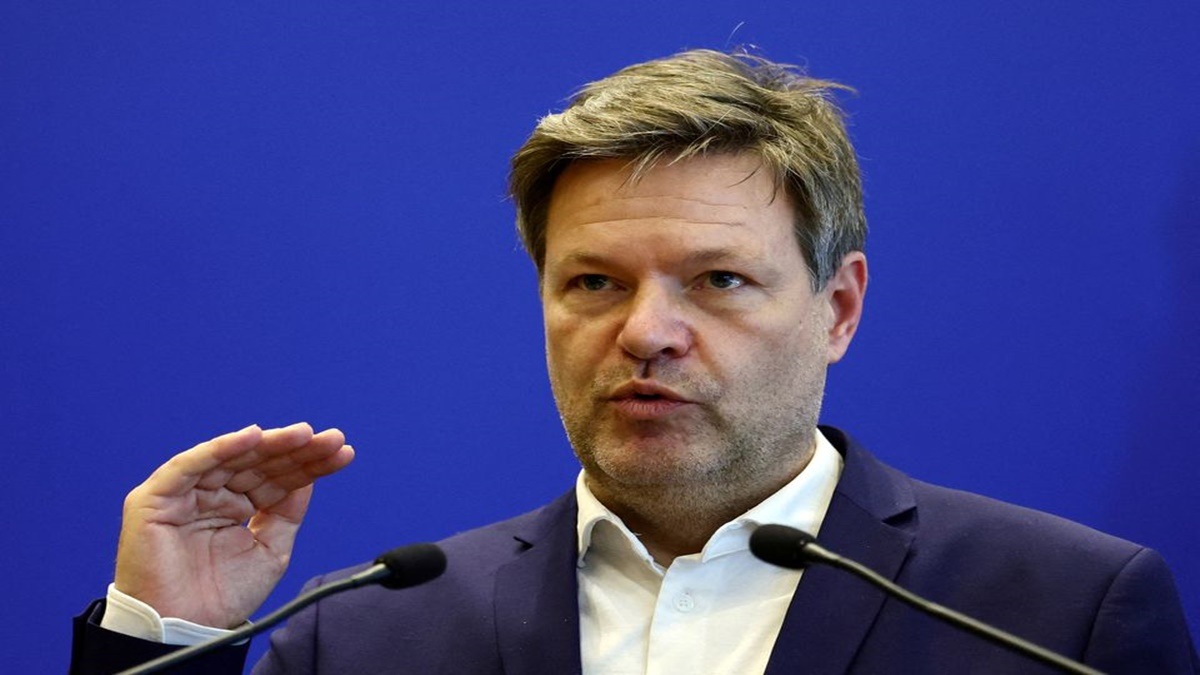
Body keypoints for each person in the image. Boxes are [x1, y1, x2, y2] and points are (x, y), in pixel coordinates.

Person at [71, 49, 1197, 674]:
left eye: (719, 280)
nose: (647, 331)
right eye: (595, 283)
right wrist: (169, 640)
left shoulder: (1061, 615)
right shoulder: (365, 635)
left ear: (839, 308)